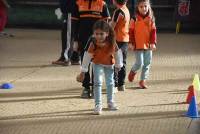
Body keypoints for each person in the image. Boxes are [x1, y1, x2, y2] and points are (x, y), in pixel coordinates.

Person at [77, 20, 123, 115]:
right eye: (96, 34)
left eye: (101, 34)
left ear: (107, 33)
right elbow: (87, 56)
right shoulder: (93, 43)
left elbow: (117, 53)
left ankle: (110, 102)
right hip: (97, 64)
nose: (98, 36)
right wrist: (83, 70)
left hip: (109, 64)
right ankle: (98, 105)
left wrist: (118, 65)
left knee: (110, 83)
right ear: (93, 34)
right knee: (97, 83)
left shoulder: (112, 42)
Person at [74, 0, 111, 98]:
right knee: (85, 62)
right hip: (83, 40)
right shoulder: (78, 3)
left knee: (97, 63)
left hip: (98, 41)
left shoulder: (102, 4)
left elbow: (106, 24)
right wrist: (75, 40)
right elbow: (74, 24)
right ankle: (86, 87)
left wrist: (106, 40)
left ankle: (96, 88)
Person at [128, 0, 157, 89]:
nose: (144, 8)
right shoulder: (134, 19)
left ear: (148, 6)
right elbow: (131, 32)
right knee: (139, 63)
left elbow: (153, 32)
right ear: (137, 7)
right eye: (141, 7)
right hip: (138, 45)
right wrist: (131, 43)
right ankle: (133, 71)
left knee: (147, 63)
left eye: (145, 6)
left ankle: (143, 81)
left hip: (148, 45)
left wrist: (153, 43)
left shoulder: (151, 18)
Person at [52, 0, 80, 66]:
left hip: (70, 12)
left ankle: (65, 58)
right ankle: (75, 57)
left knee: (68, 34)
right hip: (73, 11)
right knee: (74, 33)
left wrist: (66, 8)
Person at [110, 0, 130, 91]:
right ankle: (121, 84)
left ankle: (115, 84)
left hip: (117, 40)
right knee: (123, 62)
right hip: (125, 39)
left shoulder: (118, 11)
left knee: (114, 62)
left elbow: (111, 26)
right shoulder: (126, 10)